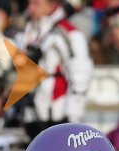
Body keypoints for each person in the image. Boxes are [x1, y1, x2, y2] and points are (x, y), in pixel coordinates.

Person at [15, 0, 93, 137]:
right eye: (29, 4)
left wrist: (72, 115)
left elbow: (80, 74)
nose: (30, 8)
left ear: (52, 5)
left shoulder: (69, 33)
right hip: (32, 113)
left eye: (36, 4)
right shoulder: (28, 31)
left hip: (57, 113)